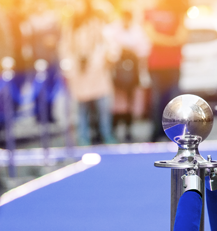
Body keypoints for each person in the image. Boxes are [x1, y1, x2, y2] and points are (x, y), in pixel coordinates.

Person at [61, 0, 118, 145]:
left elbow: (108, 42)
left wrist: (105, 59)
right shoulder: (71, 25)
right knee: (81, 108)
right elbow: (65, 47)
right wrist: (70, 66)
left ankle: (107, 134)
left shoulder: (97, 21)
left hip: (97, 69)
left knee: (103, 106)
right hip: (79, 72)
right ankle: (83, 137)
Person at [144, 0, 187, 142]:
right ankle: (156, 131)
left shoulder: (178, 11)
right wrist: (172, 42)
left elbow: (182, 37)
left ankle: (173, 131)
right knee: (156, 101)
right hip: (156, 65)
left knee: (174, 100)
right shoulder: (151, 12)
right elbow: (152, 37)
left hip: (173, 64)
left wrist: (164, 41)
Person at [106, 9, 150, 142]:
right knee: (116, 101)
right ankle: (114, 128)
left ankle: (128, 129)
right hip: (117, 71)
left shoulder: (137, 30)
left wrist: (131, 51)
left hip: (133, 70)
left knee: (131, 100)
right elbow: (109, 47)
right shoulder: (112, 30)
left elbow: (144, 48)